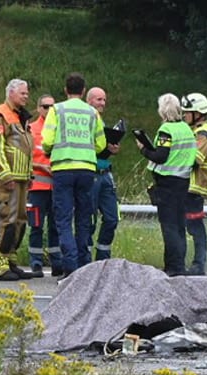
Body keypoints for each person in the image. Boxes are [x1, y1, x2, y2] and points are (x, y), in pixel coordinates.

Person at [42, 72, 105, 276]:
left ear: (65, 90)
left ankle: (70, 266)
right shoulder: (92, 112)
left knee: (63, 218)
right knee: (83, 217)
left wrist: (50, 151)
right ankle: (84, 263)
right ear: (83, 90)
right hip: (86, 169)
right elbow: (101, 143)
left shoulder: (56, 110)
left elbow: (47, 141)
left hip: (63, 169)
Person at [137, 93, 196, 276]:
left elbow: (160, 157)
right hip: (183, 180)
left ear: (162, 110)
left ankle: (174, 267)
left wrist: (143, 150)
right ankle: (179, 265)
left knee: (169, 226)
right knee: (179, 225)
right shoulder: (186, 128)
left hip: (167, 182)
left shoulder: (166, 130)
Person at [0, 78, 35, 281]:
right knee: (5, 219)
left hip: (22, 178)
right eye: (22, 93)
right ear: (11, 93)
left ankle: (11, 260)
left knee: (20, 220)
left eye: (27, 93)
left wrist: (29, 173)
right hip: (8, 179)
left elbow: (27, 149)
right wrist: (4, 173)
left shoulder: (19, 117)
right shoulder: (1, 115)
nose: (26, 96)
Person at [181, 92, 207, 275]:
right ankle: (194, 263)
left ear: (198, 113)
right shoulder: (194, 131)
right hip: (188, 185)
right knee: (187, 224)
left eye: (187, 112)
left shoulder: (203, 133)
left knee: (195, 225)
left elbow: (194, 159)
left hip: (196, 186)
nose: (184, 115)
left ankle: (199, 264)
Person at [27, 93, 63, 275]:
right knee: (36, 226)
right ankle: (36, 262)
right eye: (45, 106)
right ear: (38, 108)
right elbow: (23, 158)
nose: (49, 110)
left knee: (56, 226)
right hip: (37, 188)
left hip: (56, 188)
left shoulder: (59, 128)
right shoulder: (30, 129)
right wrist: (41, 166)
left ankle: (57, 263)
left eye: (52, 106)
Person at [86, 86, 121, 261]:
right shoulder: (85, 121)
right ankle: (85, 259)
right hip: (91, 174)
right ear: (89, 100)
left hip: (106, 173)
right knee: (88, 220)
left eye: (104, 100)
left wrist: (112, 149)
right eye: (99, 99)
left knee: (112, 218)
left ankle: (103, 257)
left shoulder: (100, 122)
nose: (102, 103)